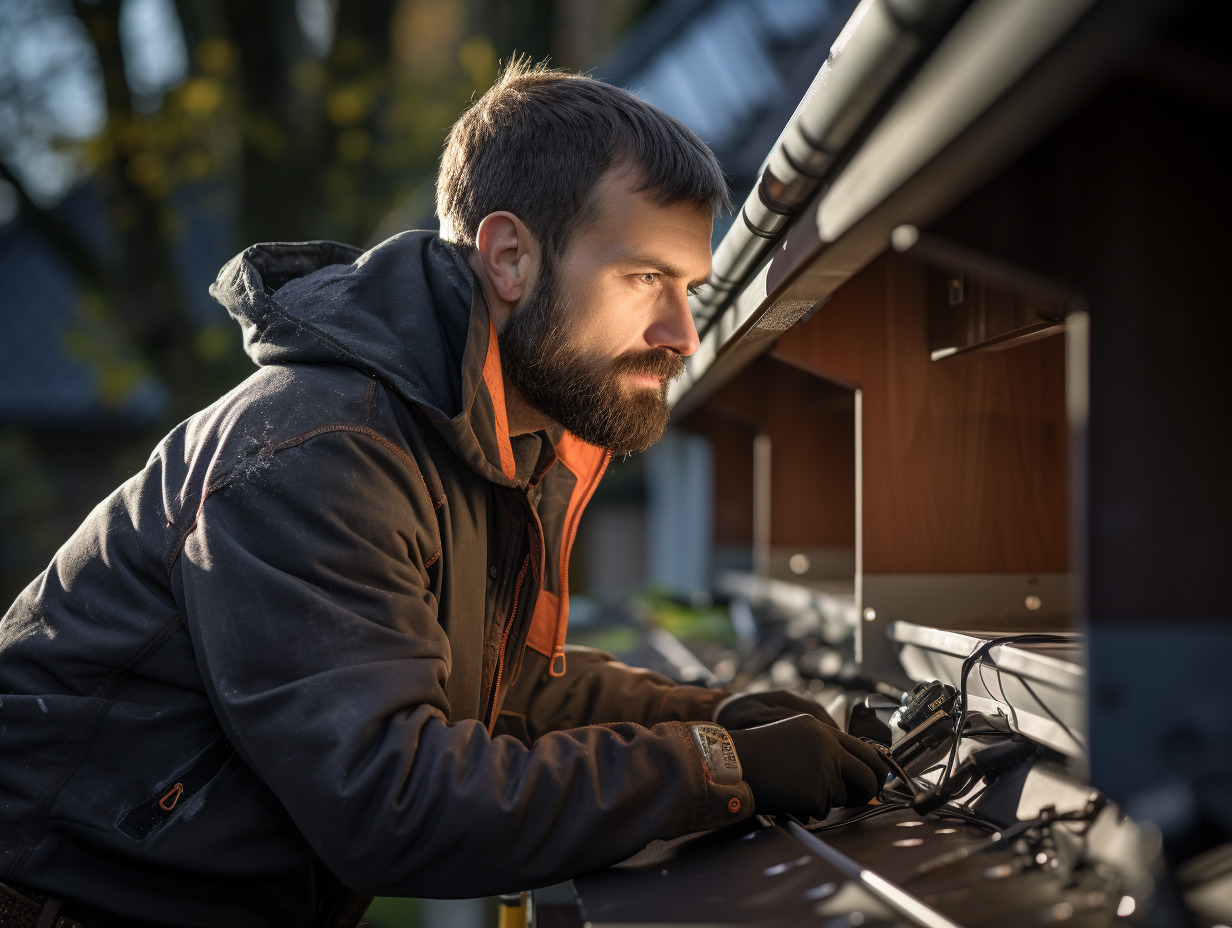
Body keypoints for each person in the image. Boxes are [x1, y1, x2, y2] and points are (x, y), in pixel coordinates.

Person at [0, 60, 888, 927]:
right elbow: (392, 802)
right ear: (508, 257)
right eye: (645, 278)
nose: (685, 333)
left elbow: (500, 690)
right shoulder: (323, 450)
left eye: (687, 288)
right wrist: (714, 768)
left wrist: (718, 716)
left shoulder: (485, 439)